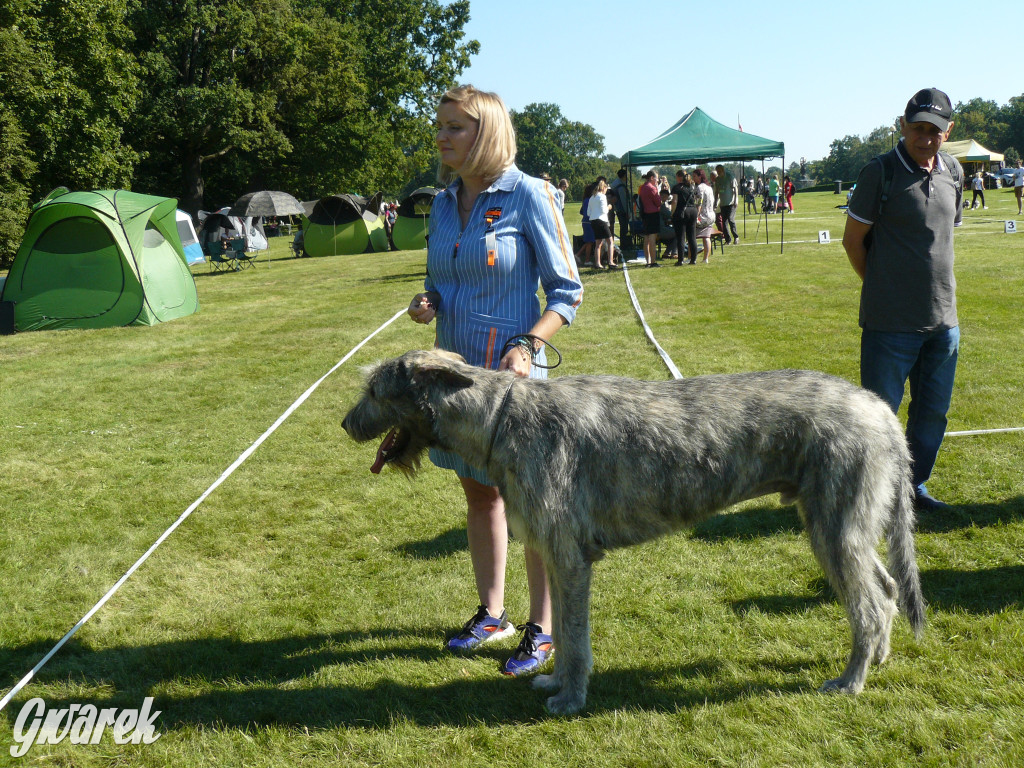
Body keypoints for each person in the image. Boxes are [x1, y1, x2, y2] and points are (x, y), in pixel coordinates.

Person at [409, 84, 583, 674]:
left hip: (512, 383)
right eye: (441, 126)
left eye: (454, 127)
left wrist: (529, 343)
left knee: (527, 501)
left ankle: (543, 627)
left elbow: (567, 291)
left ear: (486, 132)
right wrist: (427, 299)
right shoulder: (440, 202)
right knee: (479, 491)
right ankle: (492, 613)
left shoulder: (529, 194)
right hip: (453, 378)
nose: (441, 137)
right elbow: (444, 276)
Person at [842, 87, 964, 512]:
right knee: (878, 419)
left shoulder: (953, 171)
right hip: (889, 325)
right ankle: (870, 496)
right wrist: (881, 285)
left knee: (931, 419)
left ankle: (912, 489)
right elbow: (853, 241)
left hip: (944, 324)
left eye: (934, 130)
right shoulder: (880, 171)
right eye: (917, 128)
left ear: (948, 133)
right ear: (902, 125)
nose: (925, 138)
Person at [671, 169, 698, 265]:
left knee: (681, 237)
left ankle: (680, 260)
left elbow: (674, 202)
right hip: (693, 211)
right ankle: (693, 259)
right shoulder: (691, 186)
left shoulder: (676, 188)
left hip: (681, 211)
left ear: (679, 177)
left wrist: (672, 213)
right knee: (692, 237)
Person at [588, 178, 616, 268]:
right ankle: (610, 262)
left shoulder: (592, 197)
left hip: (593, 221)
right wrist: (609, 207)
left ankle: (597, 263)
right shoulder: (602, 197)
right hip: (601, 220)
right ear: (604, 188)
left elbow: (588, 212)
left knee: (598, 244)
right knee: (610, 241)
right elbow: (604, 211)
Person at [639, 170, 662, 267]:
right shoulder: (652, 188)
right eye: (656, 178)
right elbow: (658, 202)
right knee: (652, 239)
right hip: (653, 214)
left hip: (645, 214)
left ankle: (647, 261)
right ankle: (653, 261)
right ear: (652, 178)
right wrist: (657, 189)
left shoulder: (643, 187)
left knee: (647, 238)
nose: (657, 180)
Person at [693, 168, 715, 264]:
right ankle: (705, 258)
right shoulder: (709, 187)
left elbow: (699, 203)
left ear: (700, 176)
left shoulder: (699, 188)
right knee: (706, 237)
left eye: (694, 176)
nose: (693, 179)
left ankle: (691, 257)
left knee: (691, 236)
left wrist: (696, 215)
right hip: (711, 216)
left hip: (702, 216)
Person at [714, 165, 739, 244]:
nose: (718, 173)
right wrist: (715, 202)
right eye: (717, 171)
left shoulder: (730, 177)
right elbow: (717, 192)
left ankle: (736, 237)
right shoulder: (717, 180)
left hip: (731, 203)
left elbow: (735, 189)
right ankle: (728, 239)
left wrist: (736, 200)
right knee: (724, 223)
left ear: (722, 170)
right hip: (723, 204)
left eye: (719, 171)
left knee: (731, 219)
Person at [575, 182, 596, 266]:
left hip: (586, 222)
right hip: (588, 222)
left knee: (589, 241)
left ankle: (578, 255)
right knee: (589, 241)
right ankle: (586, 259)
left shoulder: (586, 200)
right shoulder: (588, 200)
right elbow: (588, 213)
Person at [610, 168, 631, 243]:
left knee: (623, 228)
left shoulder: (615, 184)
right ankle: (624, 244)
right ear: (624, 176)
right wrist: (627, 212)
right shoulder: (621, 186)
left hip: (618, 209)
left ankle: (624, 243)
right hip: (622, 210)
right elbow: (623, 200)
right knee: (624, 228)